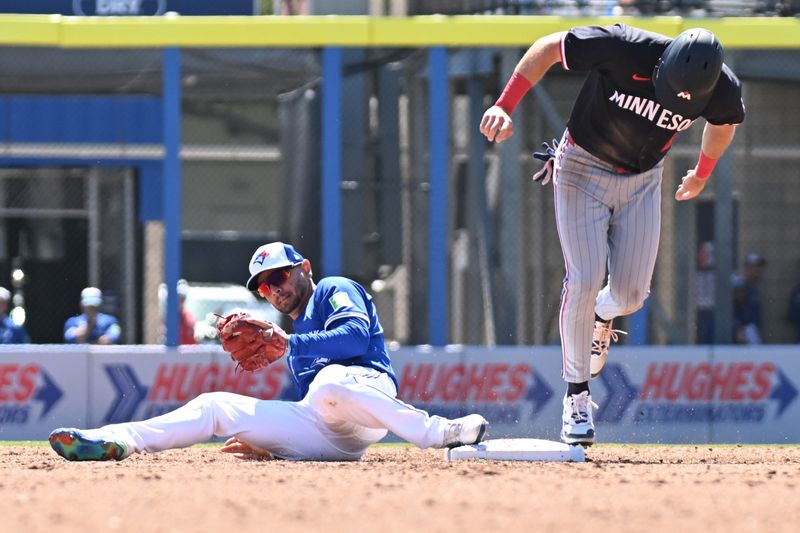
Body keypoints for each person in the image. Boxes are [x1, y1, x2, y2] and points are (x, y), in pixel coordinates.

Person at [480, 25, 745, 445]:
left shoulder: (723, 87)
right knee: (583, 278)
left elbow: (724, 123)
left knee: (632, 296)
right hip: (581, 168)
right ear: (664, 63)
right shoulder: (625, 46)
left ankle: (603, 317)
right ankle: (577, 398)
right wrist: (505, 104)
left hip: (642, 179)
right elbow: (548, 47)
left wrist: (703, 172)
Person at [49, 242, 488, 461]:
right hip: (330, 430)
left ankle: (438, 432)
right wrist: (274, 442)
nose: (273, 288)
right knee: (215, 405)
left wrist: (289, 341)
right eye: (263, 285)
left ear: (304, 269)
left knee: (331, 382)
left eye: (279, 275)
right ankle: (118, 441)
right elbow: (315, 404)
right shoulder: (291, 337)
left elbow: (355, 337)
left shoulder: (333, 289)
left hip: (369, 393)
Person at [732, 253, 766, 344]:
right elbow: (730, 310)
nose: (757, 271)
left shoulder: (754, 290)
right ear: (747, 268)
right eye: (754, 267)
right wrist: (737, 327)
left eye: (758, 267)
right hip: (740, 333)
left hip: (751, 332)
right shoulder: (738, 284)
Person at [177, 280, 198, 345]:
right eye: (178, 299)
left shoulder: (189, 317)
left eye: (182, 299)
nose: (180, 302)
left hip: (189, 352)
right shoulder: (168, 319)